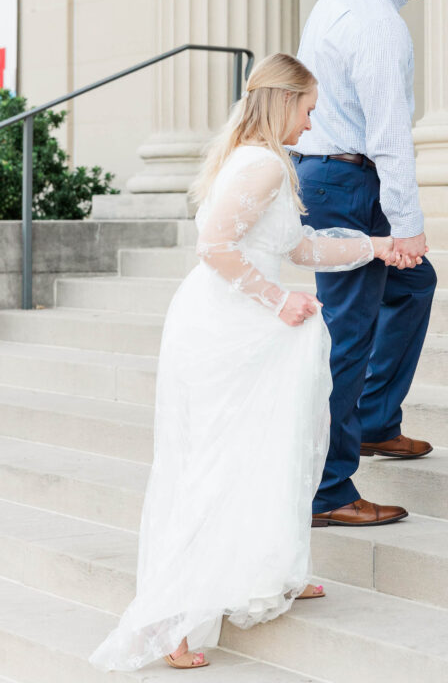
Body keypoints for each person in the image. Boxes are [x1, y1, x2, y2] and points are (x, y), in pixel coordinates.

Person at [90, 54, 401, 672]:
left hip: (242, 325)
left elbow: (298, 245)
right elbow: (215, 248)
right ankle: (175, 621)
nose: (311, 126)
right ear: (284, 104)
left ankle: (267, 571)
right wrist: (281, 297)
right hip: (226, 330)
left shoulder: (265, 161)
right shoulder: (259, 163)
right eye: (308, 110)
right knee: (217, 462)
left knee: (261, 455)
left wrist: (375, 247)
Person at [291, 0, 448, 527]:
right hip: (348, 180)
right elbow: (390, 133)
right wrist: (407, 223)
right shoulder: (377, 23)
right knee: (348, 333)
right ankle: (328, 492)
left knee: (414, 283)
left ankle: (376, 421)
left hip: (332, 174)